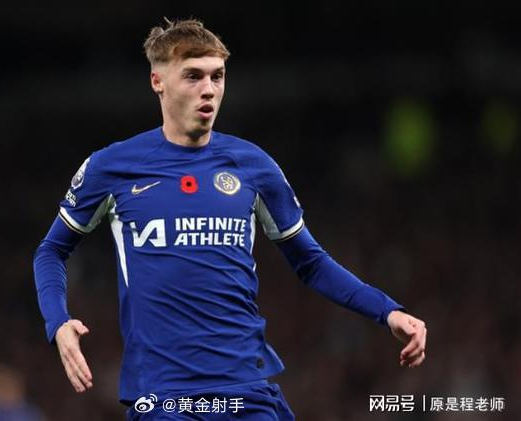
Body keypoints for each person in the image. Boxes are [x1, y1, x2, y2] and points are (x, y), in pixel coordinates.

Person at [33, 18, 427, 420]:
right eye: (193, 76)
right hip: (164, 397)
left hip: (246, 392)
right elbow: (51, 251)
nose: (208, 89)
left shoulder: (253, 166)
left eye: (217, 76)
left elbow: (310, 261)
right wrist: (58, 323)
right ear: (157, 81)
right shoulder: (113, 167)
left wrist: (387, 311)